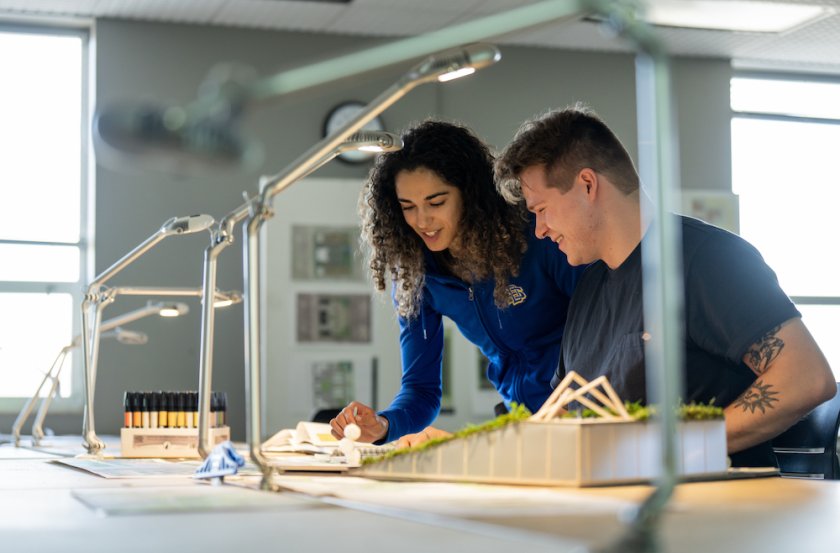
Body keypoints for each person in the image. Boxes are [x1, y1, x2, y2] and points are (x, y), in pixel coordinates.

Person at [494, 103, 836, 467]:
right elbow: (563, 417)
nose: (539, 229)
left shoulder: (705, 260)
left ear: (588, 185)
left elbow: (807, 378)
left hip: (709, 512)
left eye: (541, 209)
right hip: (614, 507)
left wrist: (673, 449)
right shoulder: (588, 288)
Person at [329, 120, 584, 444]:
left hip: (584, 416)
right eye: (408, 207)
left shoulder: (538, 237)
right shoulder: (415, 277)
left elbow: (605, 330)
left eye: (436, 203)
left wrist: (575, 406)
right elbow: (421, 391)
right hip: (524, 424)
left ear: (471, 193)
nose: (422, 221)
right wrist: (382, 424)